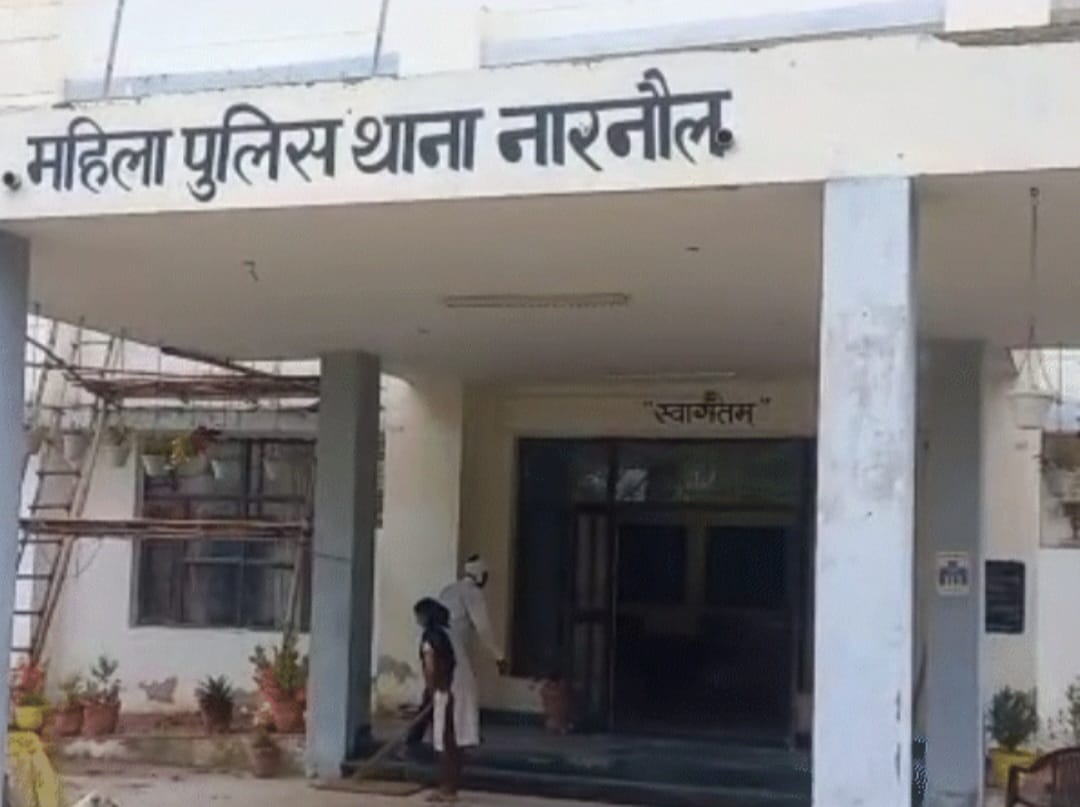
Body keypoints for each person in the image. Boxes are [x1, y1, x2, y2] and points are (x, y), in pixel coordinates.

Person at [407, 555, 508, 754]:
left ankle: (420, 738)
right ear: (481, 575)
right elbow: (483, 629)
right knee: (454, 697)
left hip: (439, 647)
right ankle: (454, 738)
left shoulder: (449, 589)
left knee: (435, 695)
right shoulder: (473, 593)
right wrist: (499, 656)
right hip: (452, 651)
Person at [414, 598, 460, 802]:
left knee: (443, 741)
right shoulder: (445, 635)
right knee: (448, 738)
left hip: (440, 691)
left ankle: (447, 788)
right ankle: (450, 786)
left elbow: (430, 665)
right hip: (449, 688)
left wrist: (432, 691)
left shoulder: (430, 637)